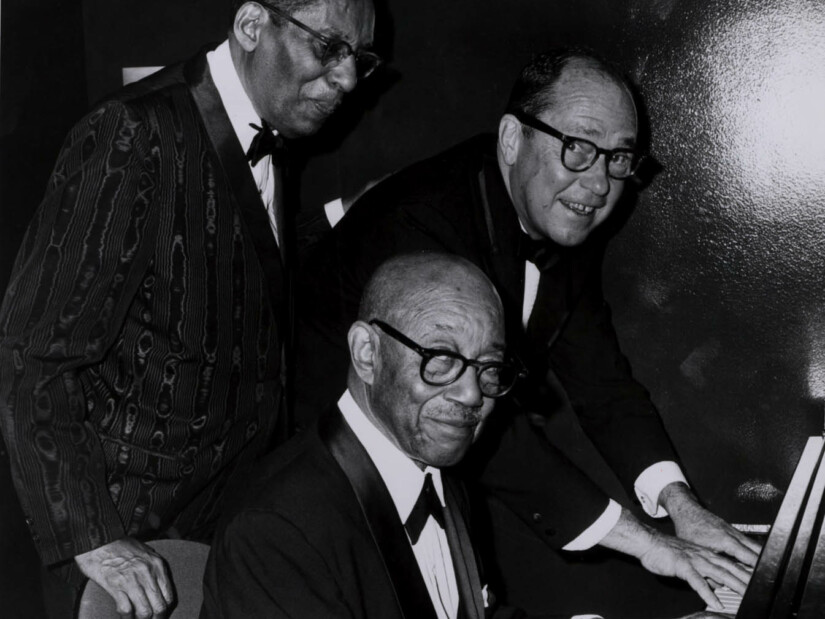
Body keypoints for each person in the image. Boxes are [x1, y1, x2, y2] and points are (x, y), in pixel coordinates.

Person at [295, 47, 760, 614]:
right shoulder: (423, 222)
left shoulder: (560, 214)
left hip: (433, 481)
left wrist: (682, 507)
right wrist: (649, 545)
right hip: (326, 494)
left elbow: (603, 385)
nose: (599, 184)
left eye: (619, 158)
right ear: (512, 139)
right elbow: (464, 412)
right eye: (580, 148)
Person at [0, 0, 377, 616]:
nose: (348, 79)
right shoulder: (130, 133)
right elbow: (31, 351)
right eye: (330, 48)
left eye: (359, 58)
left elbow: (223, 253)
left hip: (222, 520)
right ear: (253, 26)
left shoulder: (269, 124)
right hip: (132, 551)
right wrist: (92, 538)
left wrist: (336, 217)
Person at [203, 252, 732, 619]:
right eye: (440, 359)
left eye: (489, 369)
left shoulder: (436, 473)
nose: (473, 396)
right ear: (367, 353)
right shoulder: (277, 532)